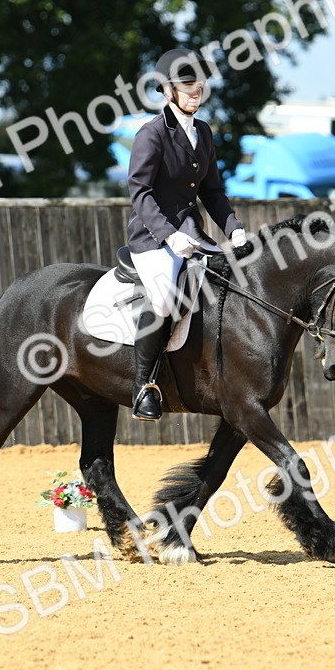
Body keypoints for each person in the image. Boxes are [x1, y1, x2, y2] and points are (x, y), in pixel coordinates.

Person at [125, 47, 248, 421]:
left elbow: (211, 192)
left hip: (193, 233)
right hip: (153, 237)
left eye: (200, 83)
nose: (196, 90)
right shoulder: (152, 134)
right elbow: (139, 192)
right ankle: (143, 385)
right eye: (187, 84)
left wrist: (235, 230)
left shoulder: (204, 133)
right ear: (167, 90)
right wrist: (167, 235)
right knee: (163, 298)